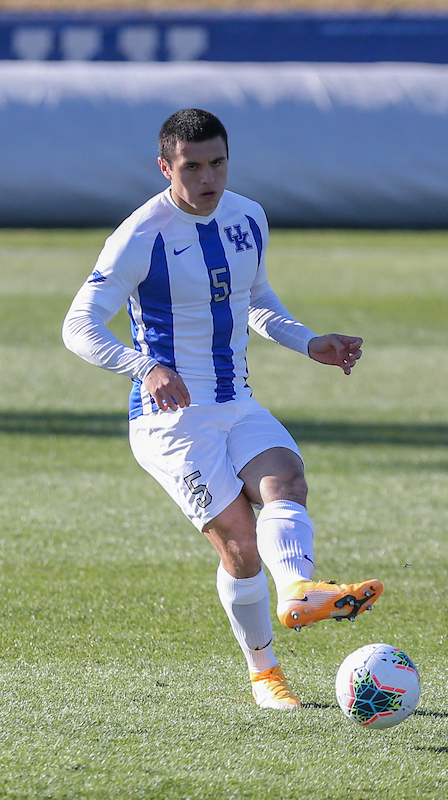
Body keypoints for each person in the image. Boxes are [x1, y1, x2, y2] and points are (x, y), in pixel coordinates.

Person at [62, 108, 382, 710]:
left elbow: (256, 299)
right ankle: (265, 674)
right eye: (192, 167)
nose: (208, 178)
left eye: (218, 163)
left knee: (285, 477)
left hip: (235, 400)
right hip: (170, 422)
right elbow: (77, 325)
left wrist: (309, 341)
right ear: (166, 167)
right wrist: (144, 365)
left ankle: (299, 592)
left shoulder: (248, 216)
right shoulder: (141, 234)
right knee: (239, 542)